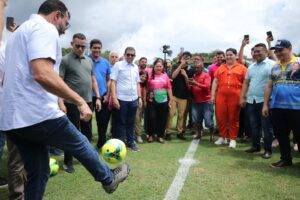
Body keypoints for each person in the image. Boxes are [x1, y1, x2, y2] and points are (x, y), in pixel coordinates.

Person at [0, 1, 129, 198]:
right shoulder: (45, 28)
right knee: (80, 142)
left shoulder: (19, 33)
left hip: (13, 120)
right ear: (57, 15)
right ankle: (108, 179)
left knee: (39, 172)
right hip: (36, 113)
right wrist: (79, 101)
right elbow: (42, 73)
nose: (64, 29)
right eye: (66, 24)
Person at [58, 33, 101, 173]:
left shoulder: (89, 61)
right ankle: (68, 162)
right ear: (72, 44)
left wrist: (98, 97)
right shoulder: (65, 60)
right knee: (72, 133)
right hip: (71, 103)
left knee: (87, 133)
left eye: (83, 46)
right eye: (78, 46)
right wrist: (61, 103)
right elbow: (60, 83)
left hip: (88, 102)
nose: (81, 49)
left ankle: (86, 158)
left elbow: (93, 80)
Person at [262, 39, 300, 168]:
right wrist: (265, 104)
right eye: (276, 51)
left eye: (281, 50)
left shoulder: (299, 62)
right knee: (281, 135)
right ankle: (285, 160)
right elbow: (268, 86)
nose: (278, 53)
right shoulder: (274, 66)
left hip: (297, 108)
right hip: (277, 107)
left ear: (289, 48)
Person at [240, 43, 275, 159]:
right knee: (254, 126)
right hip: (251, 100)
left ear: (266, 52)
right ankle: (255, 146)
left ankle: (268, 150)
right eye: (254, 51)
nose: (256, 53)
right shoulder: (251, 66)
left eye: (259, 51)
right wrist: (242, 97)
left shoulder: (272, 65)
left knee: (266, 127)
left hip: (265, 101)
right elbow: (246, 83)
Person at [211, 48, 247, 148]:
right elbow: (215, 81)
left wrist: (244, 97)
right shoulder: (221, 67)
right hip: (221, 95)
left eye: (231, 54)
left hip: (236, 95)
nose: (228, 56)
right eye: (227, 55)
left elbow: (246, 83)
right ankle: (222, 137)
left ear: (236, 56)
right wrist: (213, 95)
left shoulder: (242, 68)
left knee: (233, 118)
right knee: (220, 117)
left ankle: (232, 139)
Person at [111, 47, 142, 152]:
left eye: (132, 55)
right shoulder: (118, 65)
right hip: (121, 99)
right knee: (120, 123)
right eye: (128, 54)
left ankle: (131, 143)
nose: (130, 56)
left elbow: (138, 83)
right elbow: (113, 82)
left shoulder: (135, 67)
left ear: (134, 56)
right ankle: (120, 145)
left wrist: (140, 97)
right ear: (124, 55)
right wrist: (114, 98)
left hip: (133, 99)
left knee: (131, 122)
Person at [89, 39, 112, 149]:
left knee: (102, 122)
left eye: (99, 48)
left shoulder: (106, 62)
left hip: (103, 96)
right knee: (86, 122)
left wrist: (107, 94)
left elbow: (108, 79)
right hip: (87, 96)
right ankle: (86, 146)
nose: (97, 50)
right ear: (91, 48)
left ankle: (101, 143)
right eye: (95, 47)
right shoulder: (85, 60)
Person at [144, 58, 172, 143]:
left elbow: (169, 88)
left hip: (163, 100)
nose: (159, 68)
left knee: (162, 118)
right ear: (154, 67)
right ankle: (151, 135)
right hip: (152, 100)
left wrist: (170, 99)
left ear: (163, 67)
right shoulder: (149, 75)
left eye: (160, 66)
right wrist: (144, 100)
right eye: (157, 66)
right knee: (152, 117)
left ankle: (160, 136)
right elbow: (145, 88)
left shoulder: (165, 76)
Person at [165, 51, 192, 141]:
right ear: (181, 58)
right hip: (173, 95)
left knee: (181, 115)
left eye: (188, 58)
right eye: (184, 57)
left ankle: (180, 132)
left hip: (184, 96)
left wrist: (185, 76)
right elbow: (173, 76)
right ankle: (168, 132)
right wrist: (181, 66)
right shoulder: (176, 66)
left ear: (190, 59)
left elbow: (189, 86)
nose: (186, 59)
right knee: (171, 114)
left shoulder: (190, 70)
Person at [188, 60, 214, 141]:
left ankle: (212, 134)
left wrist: (196, 84)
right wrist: (189, 84)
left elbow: (207, 87)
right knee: (196, 120)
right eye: (195, 67)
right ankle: (199, 134)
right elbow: (191, 89)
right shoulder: (194, 76)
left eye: (198, 67)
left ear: (202, 68)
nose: (196, 69)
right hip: (196, 102)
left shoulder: (206, 76)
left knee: (208, 120)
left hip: (206, 101)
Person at [134, 70, 148, 144]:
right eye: (142, 76)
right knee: (132, 120)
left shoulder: (144, 86)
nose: (143, 78)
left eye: (145, 77)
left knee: (137, 120)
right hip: (132, 102)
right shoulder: (135, 83)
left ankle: (138, 135)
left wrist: (144, 102)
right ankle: (132, 136)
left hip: (139, 104)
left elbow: (144, 96)